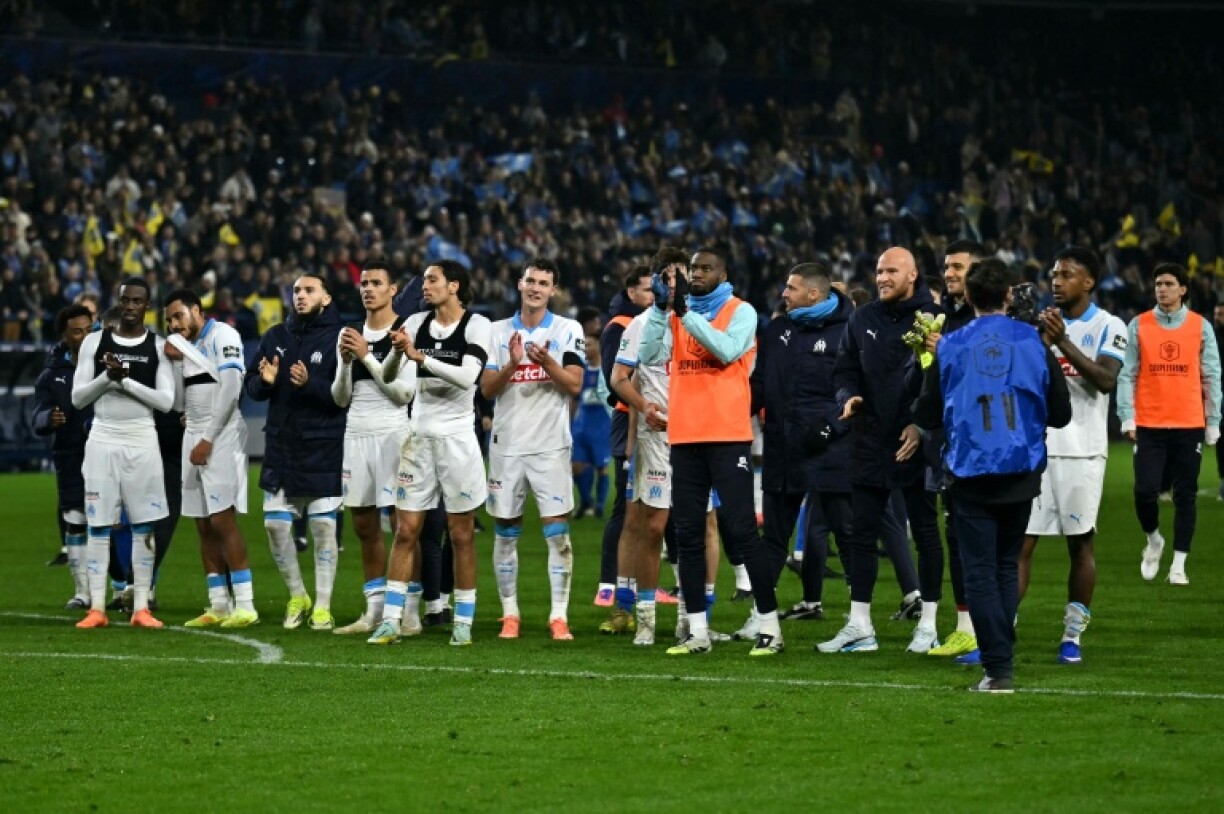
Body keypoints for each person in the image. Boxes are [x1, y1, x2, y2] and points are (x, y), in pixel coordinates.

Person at [914, 257, 1071, 692]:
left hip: (969, 472)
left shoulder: (950, 346)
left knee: (980, 570)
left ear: (967, 297)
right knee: (1005, 565)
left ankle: (998, 667)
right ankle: (1002, 653)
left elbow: (925, 413)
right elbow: (1061, 413)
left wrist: (931, 362)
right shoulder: (1035, 344)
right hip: (1020, 471)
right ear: (1008, 295)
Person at [637, 246, 778, 656]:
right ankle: (697, 630)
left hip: (727, 435)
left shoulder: (741, 311)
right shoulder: (679, 313)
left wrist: (684, 314)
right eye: (693, 268)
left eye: (705, 268)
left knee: (741, 530)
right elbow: (648, 356)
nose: (696, 273)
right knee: (687, 535)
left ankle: (770, 624)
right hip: (683, 437)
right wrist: (663, 311)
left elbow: (726, 350)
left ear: (723, 272)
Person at [819, 247, 945, 655]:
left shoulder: (933, 320)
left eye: (892, 270)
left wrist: (921, 423)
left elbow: (942, 379)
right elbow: (844, 369)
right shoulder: (864, 317)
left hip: (915, 441)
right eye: (878, 271)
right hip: (870, 436)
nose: (883, 277)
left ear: (913, 275)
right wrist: (849, 396)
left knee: (925, 533)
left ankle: (927, 625)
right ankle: (859, 625)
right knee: (861, 533)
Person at [369, 260, 491, 646]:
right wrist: (397, 351)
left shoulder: (477, 325)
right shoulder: (416, 323)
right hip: (417, 439)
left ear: (454, 285)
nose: (425, 286)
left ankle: (464, 621)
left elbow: (468, 376)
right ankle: (391, 620)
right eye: (424, 280)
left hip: (457, 439)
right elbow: (388, 376)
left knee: (460, 534)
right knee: (405, 530)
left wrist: (421, 358)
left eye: (432, 279)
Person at [1017, 247, 1126, 665]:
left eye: (1066, 274)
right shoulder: (1038, 323)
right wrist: (1039, 341)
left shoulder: (1108, 325)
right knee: (1021, 544)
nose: (1056, 282)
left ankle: (1072, 636)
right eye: (1053, 274)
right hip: (1037, 450)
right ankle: (1001, 629)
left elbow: (1104, 380)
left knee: (1080, 544)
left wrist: (1061, 340)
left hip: (1083, 451)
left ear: (1089, 281)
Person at [481, 259, 586, 641]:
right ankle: (511, 615)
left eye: (543, 283)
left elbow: (573, 384)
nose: (535, 288)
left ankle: (558, 616)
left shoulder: (566, 329)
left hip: (550, 448)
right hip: (507, 447)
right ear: (519, 283)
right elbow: (487, 389)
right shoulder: (495, 331)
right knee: (505, 532)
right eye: (530, 280)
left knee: (557, 534)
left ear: (553, 290)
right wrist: (513, 363)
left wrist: (548, 363)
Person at [751, 262, 854, 626]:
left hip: (830, 451)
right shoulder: (779, 329)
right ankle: (760, 617)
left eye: (791, 288)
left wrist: (825, 432)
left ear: (814, 293)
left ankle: (860, 621)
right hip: (783, 449)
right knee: (774, 540)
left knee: (848, 536)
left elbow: (854, 392)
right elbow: (759, 385)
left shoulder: (848, 330)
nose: (784, 294)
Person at [70, 276, 176, 628]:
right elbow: (78, 398)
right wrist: (106, 378)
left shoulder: (158, 347)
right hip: (102, 437)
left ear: (147, 306)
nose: (130, 307)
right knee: (99, 523)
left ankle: (141, 607)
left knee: (144, 525)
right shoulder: (93, 343)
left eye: (137, 301)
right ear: (117, 302)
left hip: (142, 438)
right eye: (125, 300)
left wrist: (124, 380)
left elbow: (166, 402)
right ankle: (97, 608)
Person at [243, 273, 346, 629]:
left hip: (323, 443)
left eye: (309, 290)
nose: (300, 296)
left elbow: (342, 395)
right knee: (274, 524)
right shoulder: (275, 337)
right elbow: (252, 389)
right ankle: (297, 594)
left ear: (326, 298)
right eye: (297, 291)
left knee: (321, 528)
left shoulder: (338, 338)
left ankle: (323, 605)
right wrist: (264, 382)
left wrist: (310, 384)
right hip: (283, 445)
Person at [1117, 263, 1222, 584]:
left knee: (1185, 495)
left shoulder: (1200, 326)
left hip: (1188, 422)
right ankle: (1153, 540)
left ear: (1183, 289)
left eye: (1168, 283)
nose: (1161, 288)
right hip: (1149, 423)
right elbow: (1127, 373)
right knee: (1144, 491)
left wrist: (1214, 420)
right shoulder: (1139, 324)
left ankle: (1178, 565)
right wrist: (1126, 415)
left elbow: (1212, 375)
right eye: (1158, 283)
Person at [605, 250, 688, 645]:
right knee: (651, 526)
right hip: (656, 438)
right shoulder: (640, 325)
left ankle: (693, 619)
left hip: (698, 436)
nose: (673, 285)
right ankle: (646, 619)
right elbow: (619, 378)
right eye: (666, 277)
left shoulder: (701, 324)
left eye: (680, 277)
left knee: (695, 527)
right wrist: (643, 408)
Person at [163, 289, 260, 629]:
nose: (175, 324)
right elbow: (176, 402)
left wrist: (206, 439)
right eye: (169, 320)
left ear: (195, 310)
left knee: (222, 520)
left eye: (179, 316)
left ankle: (246, 605)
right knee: (202, 523)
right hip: (194, 435)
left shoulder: (224, 335)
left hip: (220, 436)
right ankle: (219, 603)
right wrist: (174, 364)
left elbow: (232, 390)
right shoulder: (183, 347)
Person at [329, 259, 416, 636]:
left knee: (402, 525)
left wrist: (366, 355)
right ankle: (374, 610)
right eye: (364, 283)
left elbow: (403, 394)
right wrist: (347, 364)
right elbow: (339, 397)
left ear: (393, 289)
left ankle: (408, 611)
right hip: (356, 434)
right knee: (364, 524)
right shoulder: (348, 334)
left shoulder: (404, 331)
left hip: (394, 434)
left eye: (376, 283)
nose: (368, 289)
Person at [923, 239, 987, 659]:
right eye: (947, 267)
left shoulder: (992, 321)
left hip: (988, 444)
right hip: (954, 443)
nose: (949, 274)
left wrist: (944, 353)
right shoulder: (949, 320)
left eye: (958, 267)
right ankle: (968, 628)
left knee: (988, 542)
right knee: (960, 537)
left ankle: (990, 628)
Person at [593, 265, 654, 605]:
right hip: (628, 420)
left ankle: (646, 580)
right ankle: (610, 583)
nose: (652, 296)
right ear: (631, 293)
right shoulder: (621, 327)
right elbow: (616, 383)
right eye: (646, 290)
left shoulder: (654, 323)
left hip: (653, 420)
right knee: (626, 508)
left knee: (657, 509)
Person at [31, 304, 95, 608]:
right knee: (74, 519)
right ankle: (82, 592)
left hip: (106, 453)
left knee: (110, 521)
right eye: (76, 331)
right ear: (65, 336)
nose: (83, 336)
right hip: (69, 454)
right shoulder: (51, 374)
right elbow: (37, 416)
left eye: (88, 329)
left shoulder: (107, 363)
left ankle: (124, 588)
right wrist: (47, 419)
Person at [571, 306, 611, 519]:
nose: (585, 348)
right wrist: (569, 424)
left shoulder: (609, 369)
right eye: (584, 344)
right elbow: (573, 398)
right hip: (582, 424)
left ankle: (599, 506)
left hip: (602, 425)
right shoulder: (581, 370)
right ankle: (585, 500)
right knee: (577, 465)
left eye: (589, 344)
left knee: (601, 468)